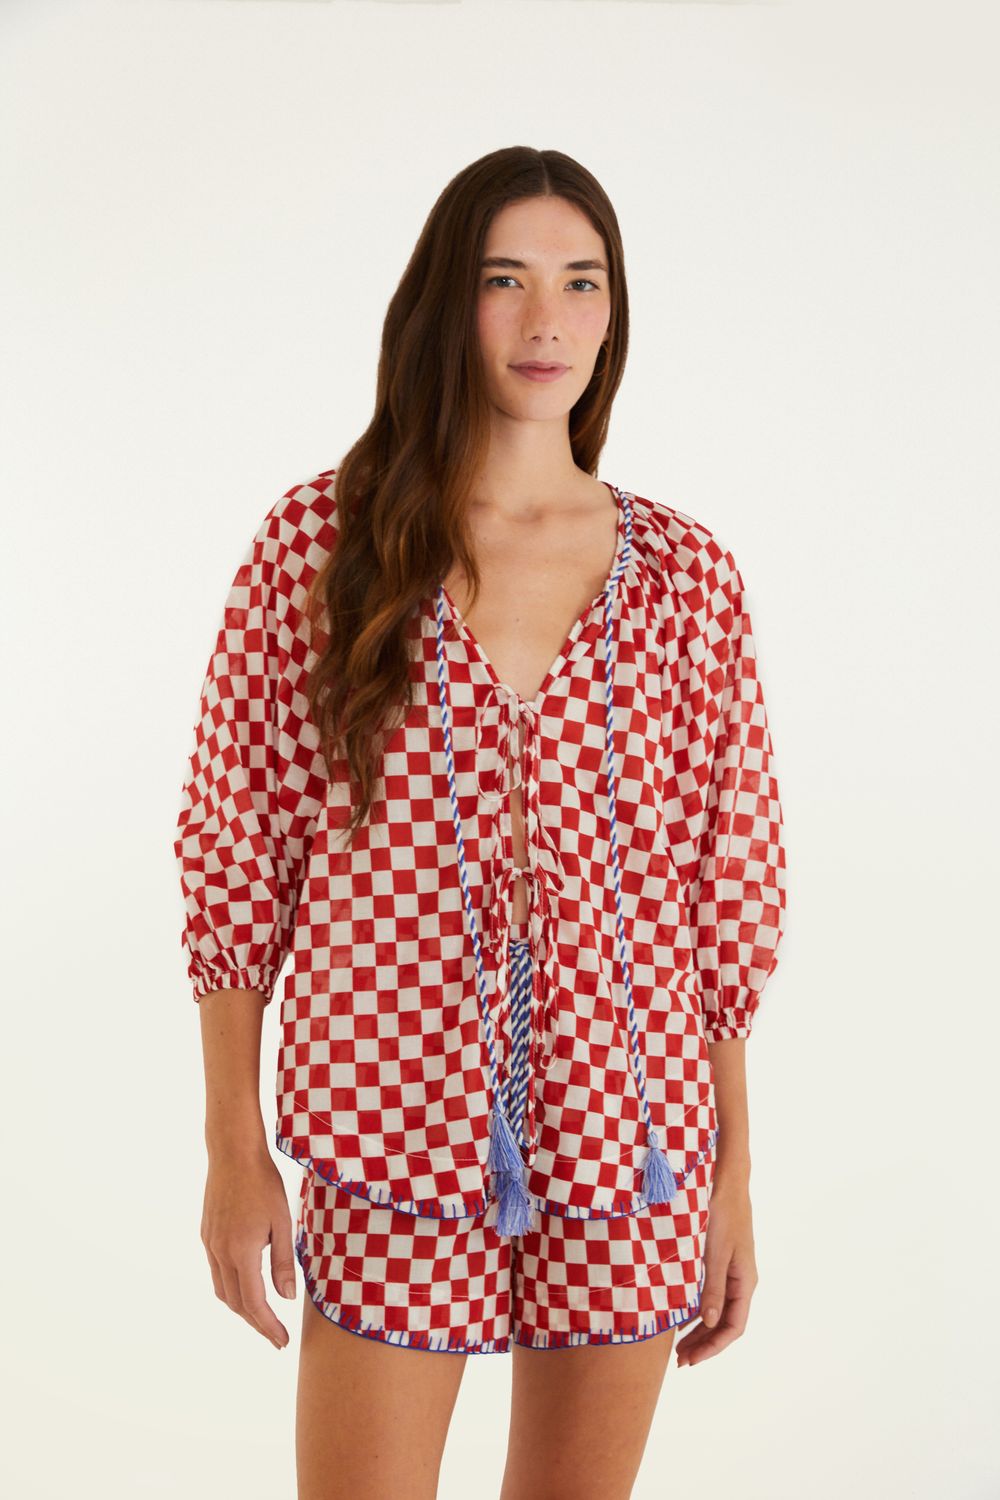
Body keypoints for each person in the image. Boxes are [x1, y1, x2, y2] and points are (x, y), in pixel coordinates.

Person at [174, 146, 787, 1500]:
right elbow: (234, 852)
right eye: (505, 280)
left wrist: (735, 1175)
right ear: (446, 303)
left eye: (582, 281)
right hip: (384, 1124)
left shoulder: (687, 578)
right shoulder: (322, 549)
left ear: (615, 313)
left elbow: (727, 886)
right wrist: (232, 1145)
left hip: (632, 1143)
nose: (545, 318)